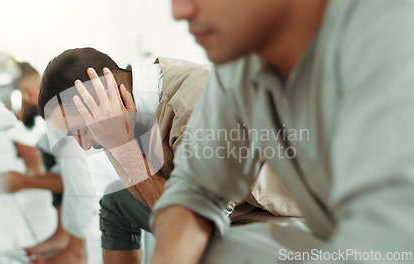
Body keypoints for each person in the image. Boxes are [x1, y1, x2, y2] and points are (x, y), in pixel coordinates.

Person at [149, 0, 414, 263]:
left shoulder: (390, 34)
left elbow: (389, 244)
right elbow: (197, 191)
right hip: (334, 229)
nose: (179, 12)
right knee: (209, 251)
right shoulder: (240, 62)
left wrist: (125, 148)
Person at [38, 48, 301, 264]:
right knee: (115, 200)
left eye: (81, 130)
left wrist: (122, 146)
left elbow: (192, 223)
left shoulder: (194, 108)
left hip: (277, 221)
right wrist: (114, 143)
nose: (83, 146)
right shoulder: (135, 97)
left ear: (106, 94)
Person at [0, 62, 89, 264]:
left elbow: (81, 182)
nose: (9, 111)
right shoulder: (53, 118)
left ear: (30, 94)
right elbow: (69, 174)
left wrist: (23, 181)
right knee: (46, 146)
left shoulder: (59, 116)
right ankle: (62, 236)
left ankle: (75, 249)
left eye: (10, 103)